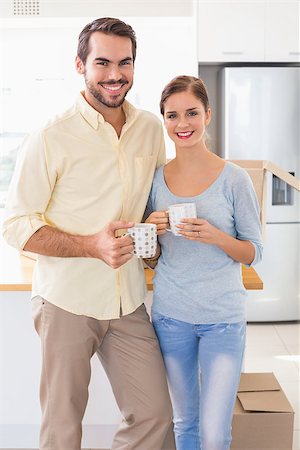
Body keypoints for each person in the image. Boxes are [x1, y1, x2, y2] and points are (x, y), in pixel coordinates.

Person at [2, 17, 172, 450]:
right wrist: (90, 246)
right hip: (66, 300)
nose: (115, 75)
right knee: (62, 426)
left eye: (125, 63)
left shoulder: (151, 129)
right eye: (103, 63)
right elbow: (16, 223)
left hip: (127, 300)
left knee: (153, 415)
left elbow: (151, 202)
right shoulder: (50, 136)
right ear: (80, 65)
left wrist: (156, 228)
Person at [144, 75, 263, 450]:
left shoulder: (234, 179)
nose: (183, 124)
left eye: (192, 113)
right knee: (185, 424)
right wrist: (149, 230)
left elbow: (254, 251)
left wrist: (216, 236)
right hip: (171, 316)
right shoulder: (155, 181)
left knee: (214, 434)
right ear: (163, 121)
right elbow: (151, 259)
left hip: (222, 321)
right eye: (173, 115)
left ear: (207, 115)